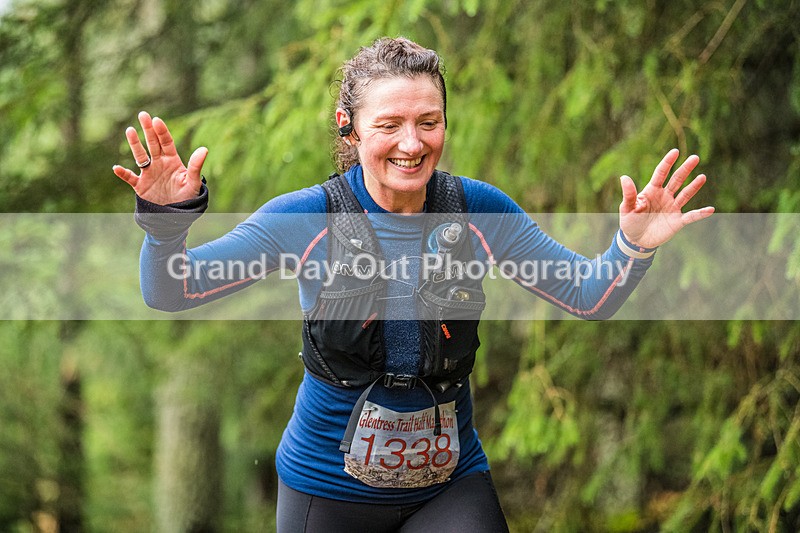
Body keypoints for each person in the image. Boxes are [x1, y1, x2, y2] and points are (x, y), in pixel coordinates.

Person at [113, 37, 713, 532]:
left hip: (449, 489)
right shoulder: (306, 220)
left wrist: (633, 245)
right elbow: (173, 290)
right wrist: (165, 227)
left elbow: (588, 296)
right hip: (326, 493)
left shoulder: (478, 211)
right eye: (390, 124)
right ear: (350, 130)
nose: (412, 142)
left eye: (429, 122)